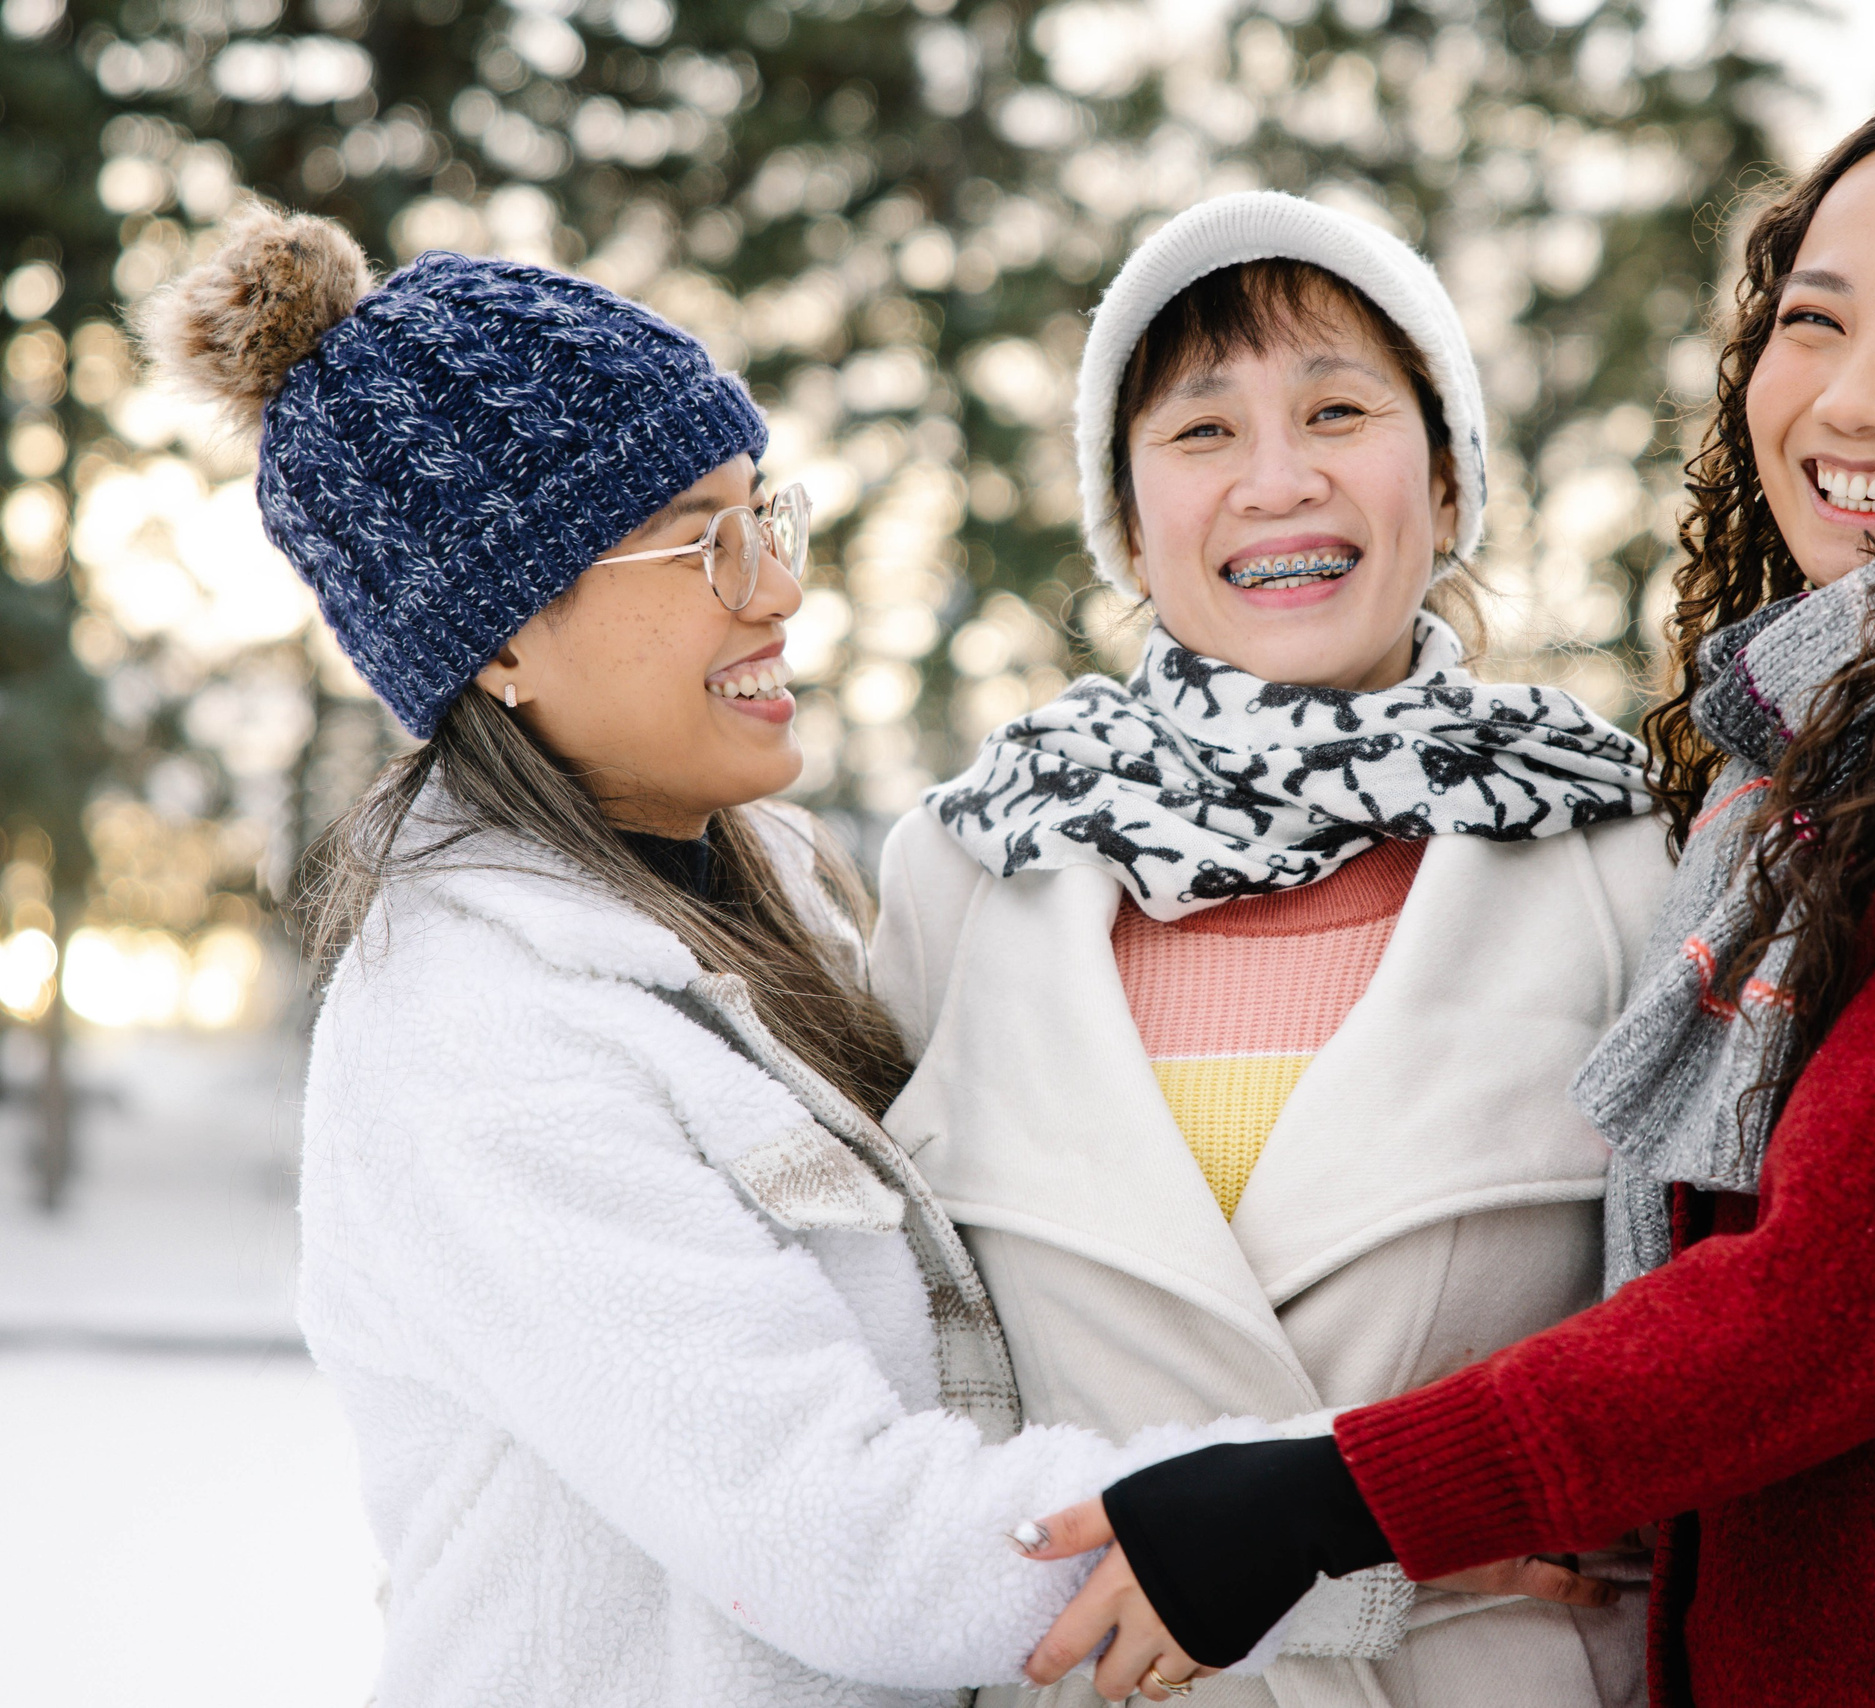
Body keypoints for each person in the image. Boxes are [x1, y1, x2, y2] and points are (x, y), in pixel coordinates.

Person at [1021, 90, 1875, 1707]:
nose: (1857, 397)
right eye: (1812, 319)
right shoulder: (1830, 777)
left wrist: (1325, 1498)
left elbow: (1833, 1300)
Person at [150, 204, 1284, 1708]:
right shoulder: (482, 1031)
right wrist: (1368, 1512)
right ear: (493, 640)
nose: (777, 587)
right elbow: (850, 1540)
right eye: (702, 541)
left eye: (769, 514)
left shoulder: (775, 898)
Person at [867, 192, 1670, 1708]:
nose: (1278, 480)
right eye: (1202, 431)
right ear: (1129, 510)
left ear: (1444, 475)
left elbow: (1727, 1370)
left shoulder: (1625, 862)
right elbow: (889, 1389)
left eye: (1338, 409)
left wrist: (1431, 1514)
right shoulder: (967, 873)